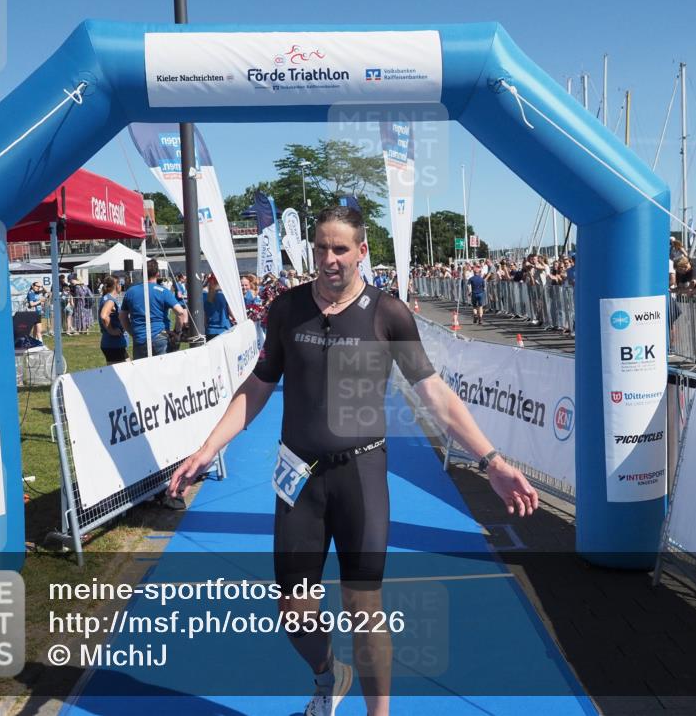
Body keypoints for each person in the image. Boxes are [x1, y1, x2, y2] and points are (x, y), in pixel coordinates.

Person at [168, 206, 538, 716]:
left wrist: (492, 461)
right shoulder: (286, 309)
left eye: (340, 248)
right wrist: (208, 448)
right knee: (294, 611)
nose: (329, 258)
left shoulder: (388, 314)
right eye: (320, 247)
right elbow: (257, 387)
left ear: (362, 251)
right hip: (298, 477)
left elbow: (435, 395)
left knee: (364, 609)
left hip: (361, 475)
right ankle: (327, 675)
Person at [119, 259, 187, 359]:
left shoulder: (131, 292)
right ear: (157, 274)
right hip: (160, 337)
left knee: (142, 372)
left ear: (142, 273)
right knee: (164, 371)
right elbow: (181, 313)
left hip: (140, 338)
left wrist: (132, 332)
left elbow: (122, 317)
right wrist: (177, 332)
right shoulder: (163, 291)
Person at [98, 276, 128, 365]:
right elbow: (103, 316)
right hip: (113, 343)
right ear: (117, 285)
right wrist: (112, 331)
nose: (121, 286)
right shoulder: (110, 300)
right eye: (120, 284)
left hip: (114, 343)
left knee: (128, 367)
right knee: (119, 374)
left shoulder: (107, 297)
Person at [203, 274, 233, 341]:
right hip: (224, 329)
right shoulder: (225, 296)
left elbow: (204, 316)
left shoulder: (204, 296)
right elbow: (232, 314)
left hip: (210, 331)